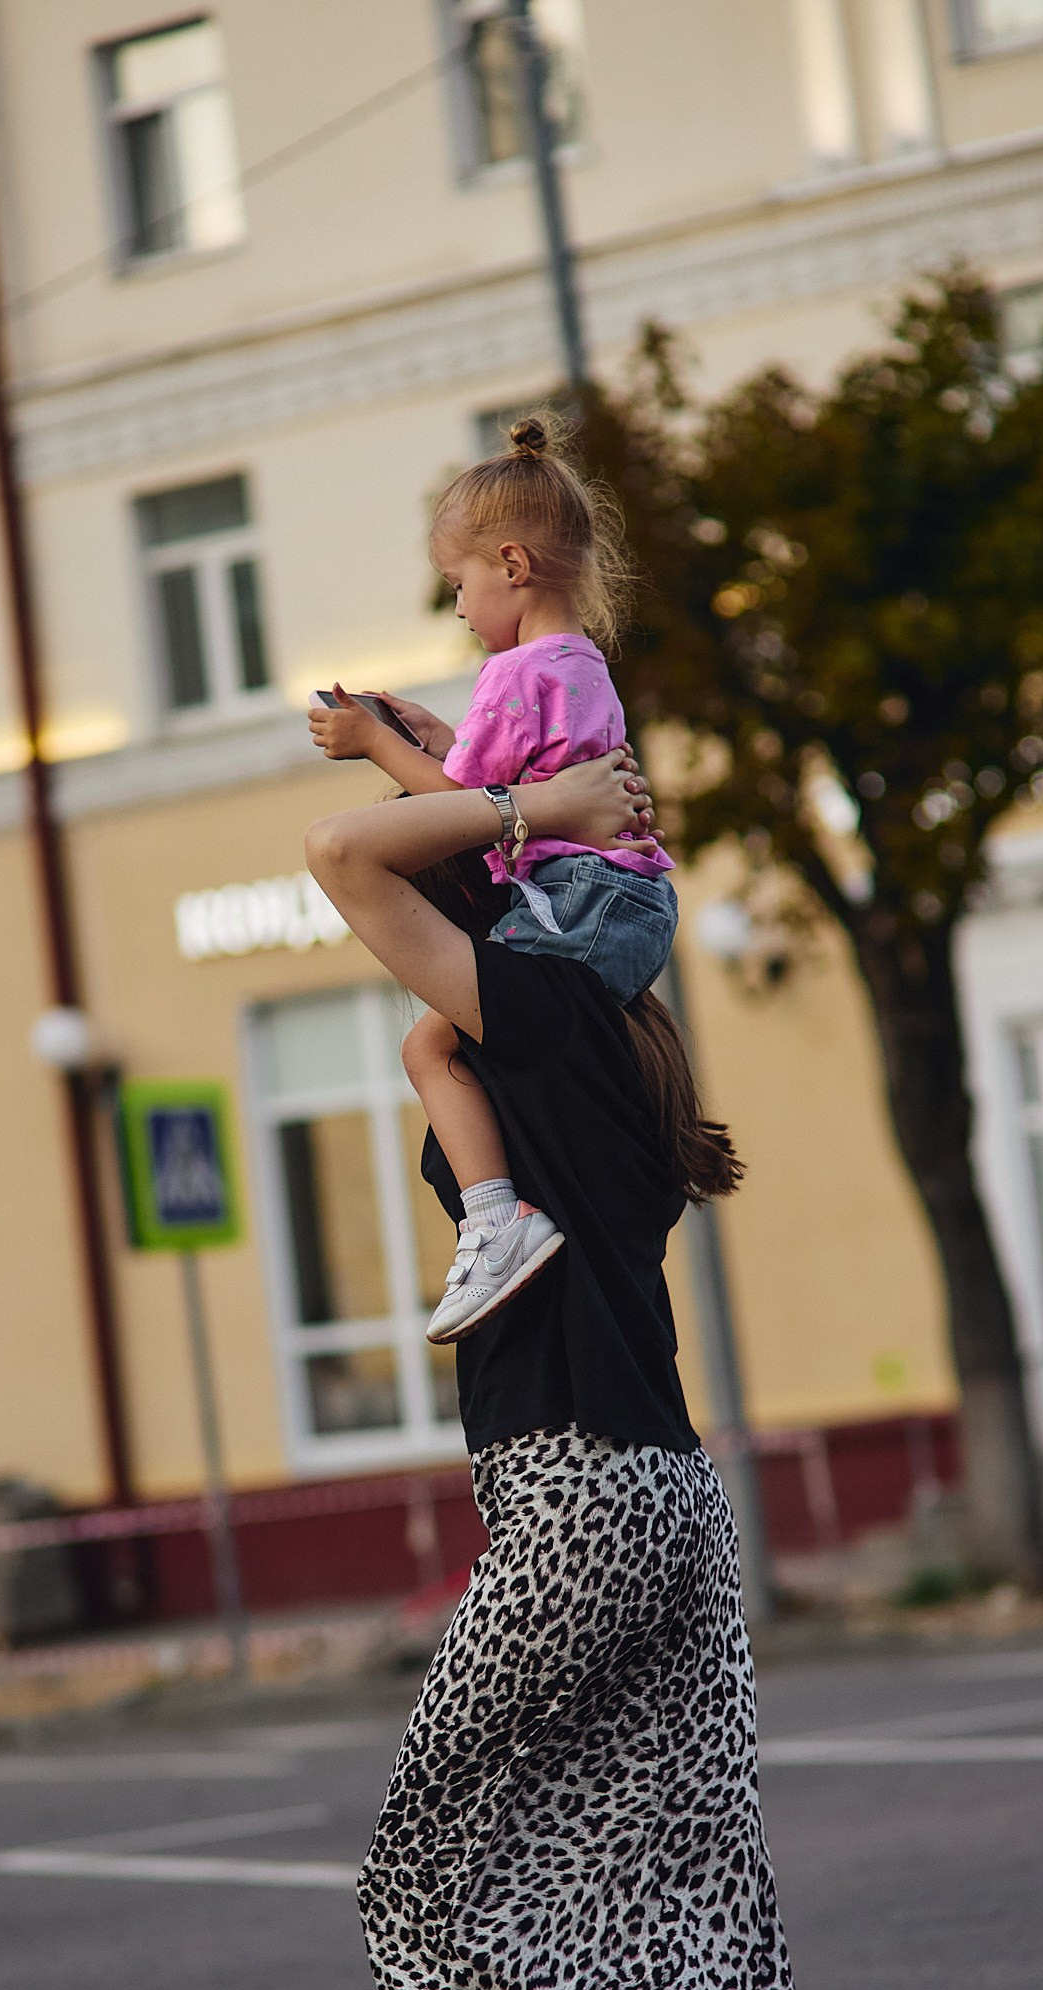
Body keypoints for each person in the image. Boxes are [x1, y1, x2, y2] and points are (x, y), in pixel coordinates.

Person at [304, 749, 836, 1990]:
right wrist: (436, 756)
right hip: (677, 1500)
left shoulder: (527, 1024)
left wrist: (545, 810)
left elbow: (350, 858)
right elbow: (444, 857)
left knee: (426, 1861)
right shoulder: (598, 1049)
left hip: (572, 1496)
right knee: (697, 1866)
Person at [307, 415, 677, 1348]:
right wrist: (437, 737)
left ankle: (495, 1220)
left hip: (580, 905)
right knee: (449, 1045)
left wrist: (376, 743)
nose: (461, 610)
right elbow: (500, 784)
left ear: (510, 564)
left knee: (430, 1050)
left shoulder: (517, 675)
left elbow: (477, 809)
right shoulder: (575, 663)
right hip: (624, 904)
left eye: (458, 586)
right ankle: (495, 1217)